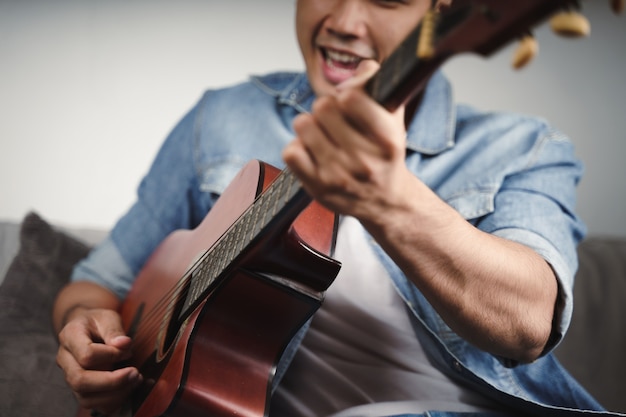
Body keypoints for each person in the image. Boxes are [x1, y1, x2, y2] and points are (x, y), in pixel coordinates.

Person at [52, 1, 619, 416]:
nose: (345, 21)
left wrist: (390, 200)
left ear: (442, 11)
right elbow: (98, 282)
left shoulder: (523, 147)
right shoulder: (221, 117)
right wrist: (84, 330)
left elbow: (527, 326)